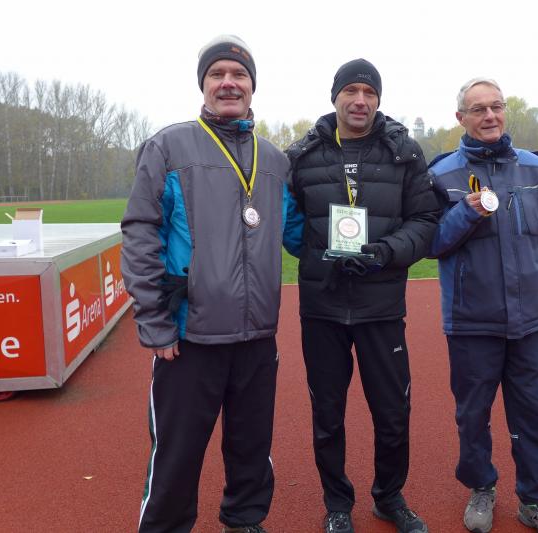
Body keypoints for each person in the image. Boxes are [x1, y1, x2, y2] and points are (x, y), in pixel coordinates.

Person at [121, 34, 303, 533]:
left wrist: (360, 232)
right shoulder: (169, 146)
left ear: (252, 86)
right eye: (217, 74)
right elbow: (140, 233)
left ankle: (244, 521)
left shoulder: (275, 160)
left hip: (257, 336)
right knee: (176, 455)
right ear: (203, 85)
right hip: (188, 336)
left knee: (252, 449)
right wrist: (155, 323)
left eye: (239, 74)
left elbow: (297, 233)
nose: (228, 83)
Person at [285, 59, 439, 533]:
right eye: (350, 91)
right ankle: (337, 505)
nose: (360, 100)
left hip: (381, 307)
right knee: (327, 415)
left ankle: (389, 497)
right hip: (322, 307)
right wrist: (320, 255)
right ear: (334, 96)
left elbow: (426, 221)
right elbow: (289, 224)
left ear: (378, 99)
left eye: (369, 92)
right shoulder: (303, 155)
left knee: (393, 413)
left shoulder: (404, 152)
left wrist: (384, 252)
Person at [428, 78, 538, 533]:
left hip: (530, 323)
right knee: (472, 416)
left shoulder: (536, 169)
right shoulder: (442, 175)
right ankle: (481, 488)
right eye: (478, 109)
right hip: (471, 323)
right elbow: (431, 243)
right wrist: (466, 212)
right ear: (461, 118)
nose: (490, 116)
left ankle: (535, 501)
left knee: (535, 415)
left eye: (496, 106)